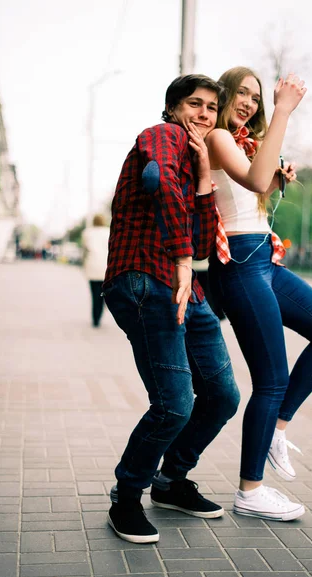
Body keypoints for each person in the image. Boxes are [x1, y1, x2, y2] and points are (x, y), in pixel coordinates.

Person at [206, 67, 312, 521]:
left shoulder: (244, 143)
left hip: (265, 261)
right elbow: (250, 182)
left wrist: (277, 173)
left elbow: (258, 183)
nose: (249, 102)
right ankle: (251, 490)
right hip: (241, 266)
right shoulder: (216, 137)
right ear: (224, 95)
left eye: (256, 96)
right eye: (241, 94)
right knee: (271, 379)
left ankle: (277, 427)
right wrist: (285, 110)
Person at [102, 74, 240, 544]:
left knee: (222, 396)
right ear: (173, 107)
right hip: (143, 279)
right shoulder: (161, 135)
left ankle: (170, 481)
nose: (203, 114)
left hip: (186, 291)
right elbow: (160, 184)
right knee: (174, 405)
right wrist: (183, 260)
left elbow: (201, 243)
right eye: (194, 104)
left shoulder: (195, 155)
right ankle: (126, 496)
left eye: (210, 108)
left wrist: (204, 179)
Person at [81, 214, 110, 327]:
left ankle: (95, 318)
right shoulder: (108, 231)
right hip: (105, 267)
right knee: (103, 292)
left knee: (94, 294)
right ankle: (101, 310)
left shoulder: (87, 233)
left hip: (92, 266)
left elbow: (84, 251)